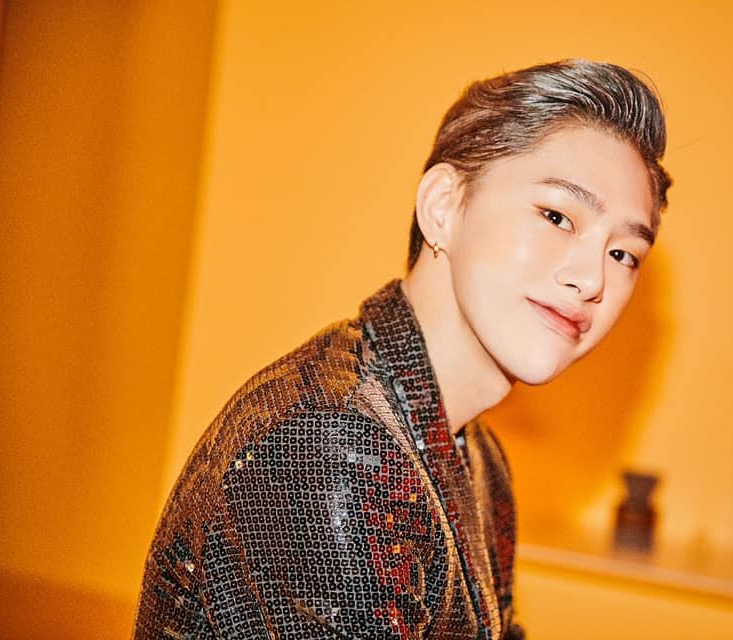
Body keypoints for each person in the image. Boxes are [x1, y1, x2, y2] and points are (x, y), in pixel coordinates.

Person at [134, 58, 671, 640]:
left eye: (624, 254)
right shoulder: (330, 445)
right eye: (557, 216)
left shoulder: (478, 455)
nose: (592, 280)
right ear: (443, 206)